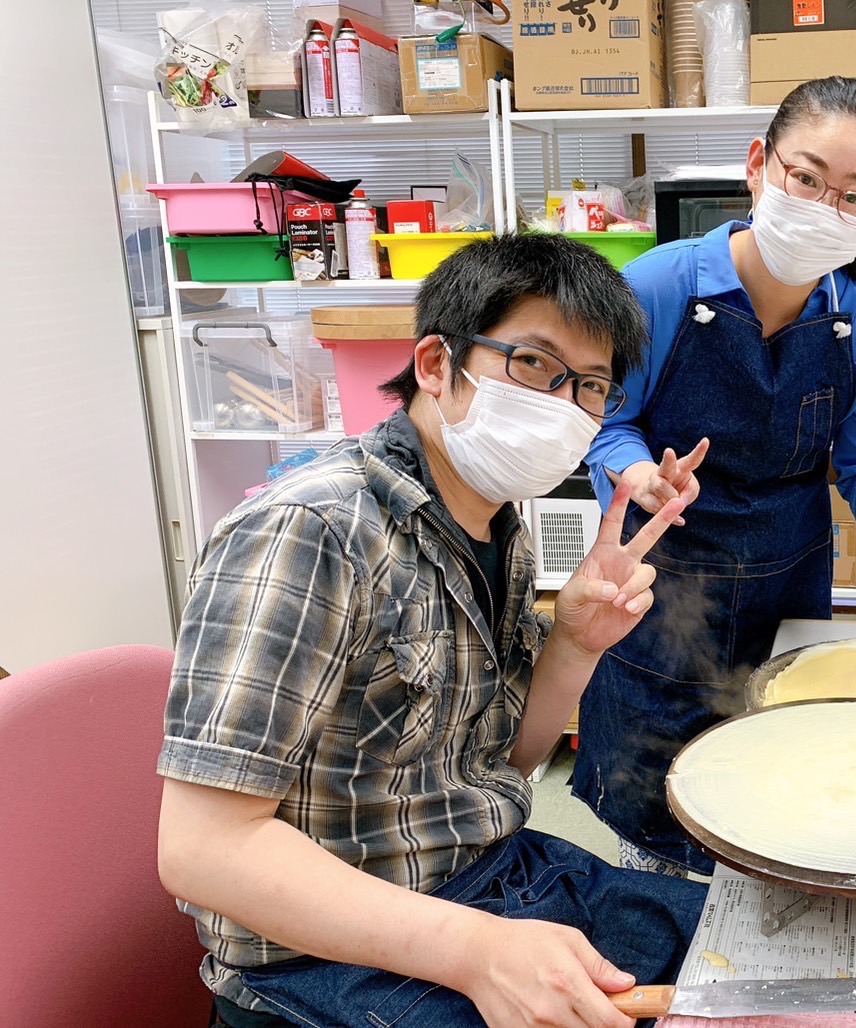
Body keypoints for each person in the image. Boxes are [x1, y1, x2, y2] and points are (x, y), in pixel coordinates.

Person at [156, 233, 707, 1028]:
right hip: (321, 962)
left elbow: (503, 761)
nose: (563, 407)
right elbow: (202, 850)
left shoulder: (491, 521)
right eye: (532, 365)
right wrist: (477, 951)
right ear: (435, 365)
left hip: (486, 875)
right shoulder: (313, 530)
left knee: (749, 960)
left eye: (590, 386)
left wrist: (576, 644)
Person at [574, 76, 856, 876]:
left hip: (789, 588)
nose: (827, 206)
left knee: (779, 798)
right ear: (759, 165)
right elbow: (604, 422)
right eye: (807, 178)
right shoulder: (657, 287)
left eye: (855, 195)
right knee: (653, 828)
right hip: (660, 587)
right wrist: (637, 474)